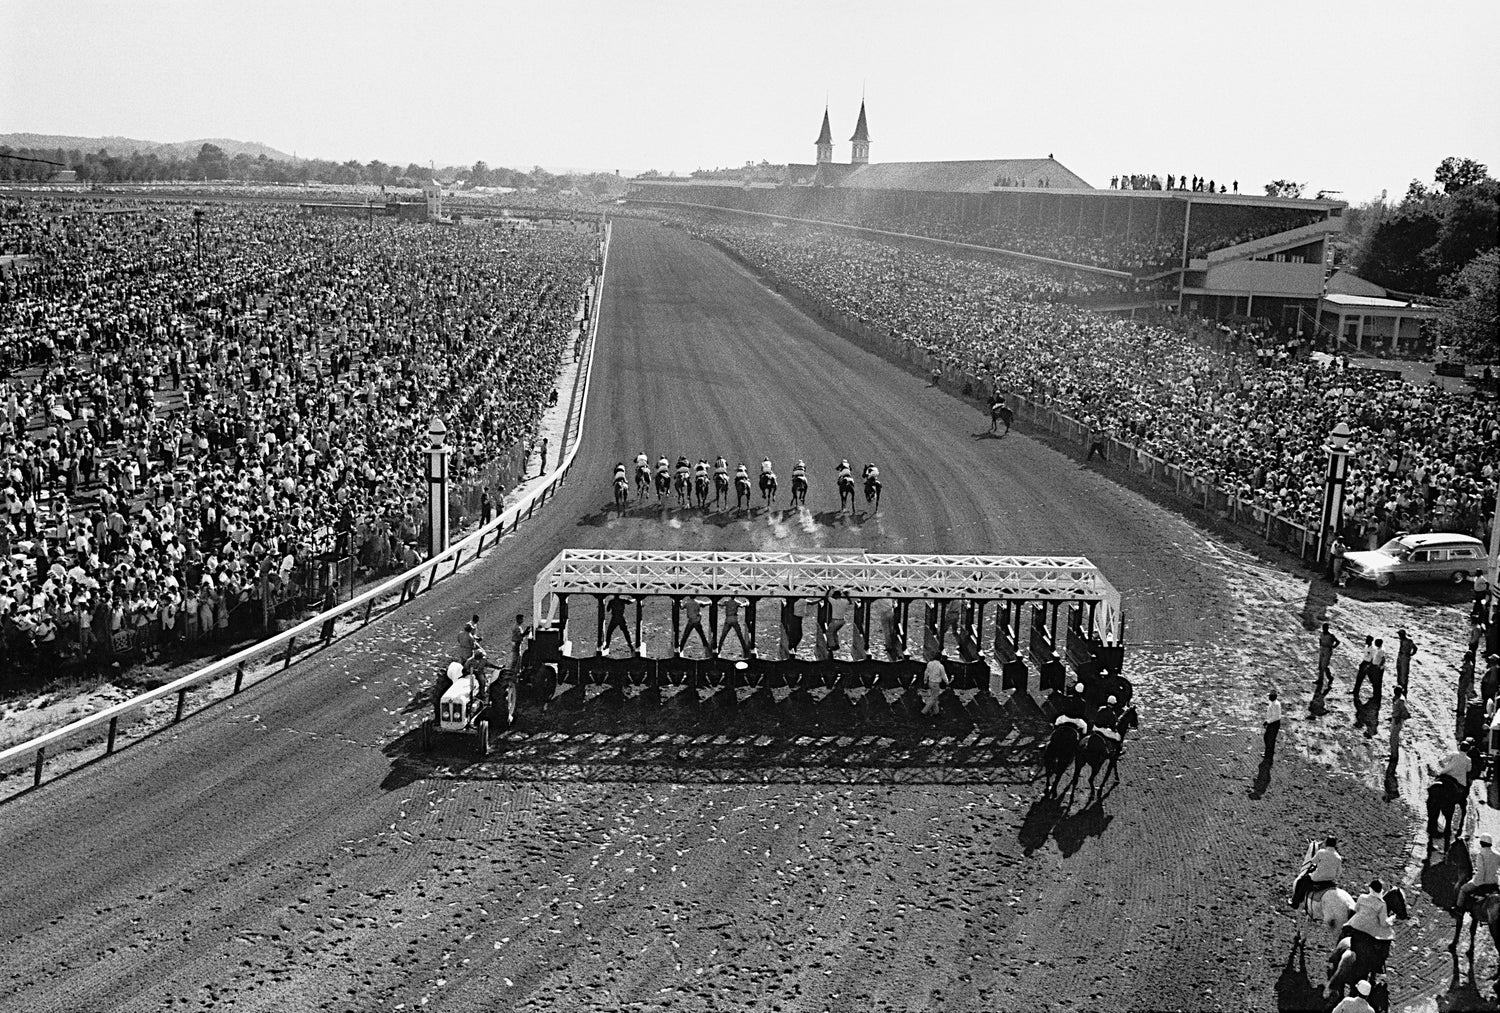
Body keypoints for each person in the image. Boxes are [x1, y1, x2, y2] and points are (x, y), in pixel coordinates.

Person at [1290, 835, 1342, 909]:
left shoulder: (1321, 852)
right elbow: (1339, 872)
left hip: (1317, 878)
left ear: (1326, 843)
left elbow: (1313, 861)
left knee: (1301, 882)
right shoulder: (1338, 857)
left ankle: (1295, 902)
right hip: (1330, 881)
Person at [1387, 686, 1410, 772]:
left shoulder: (1400, 700)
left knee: (1394, 738)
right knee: (1393, 737)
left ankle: (1394, 756)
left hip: (1397, 720)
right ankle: (1393, 754)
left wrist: (1398, 719)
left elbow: (1404, 711)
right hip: (1395, 719)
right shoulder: (1397, 698)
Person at [1317, 621, 1339, 689]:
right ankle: (1326, 678)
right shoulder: (1322, 634)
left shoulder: (1330, 635)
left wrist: (1333, 647)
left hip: (1327, 651)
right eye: (1323, 628)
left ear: (1327, 628)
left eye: (1325, 628)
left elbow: (1337, 642)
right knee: (1321, 665)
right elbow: (1320, 640)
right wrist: (1321, 646)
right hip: (1322, 649)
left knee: (1324, 666)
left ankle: (1323, 680)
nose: (1324, 629)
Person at [1263, 689, 1282, 763]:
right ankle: (1268, 753)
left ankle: (1269, 755)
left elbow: (1276, 717)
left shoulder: (1276, 705)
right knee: (1267, 738)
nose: (1269, 697)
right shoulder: (1273, 703)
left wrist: (1268, 721)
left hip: (1274, 723)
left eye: (1270, 696)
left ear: (1274, 697)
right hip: (1272, 723)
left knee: (1269, 739)